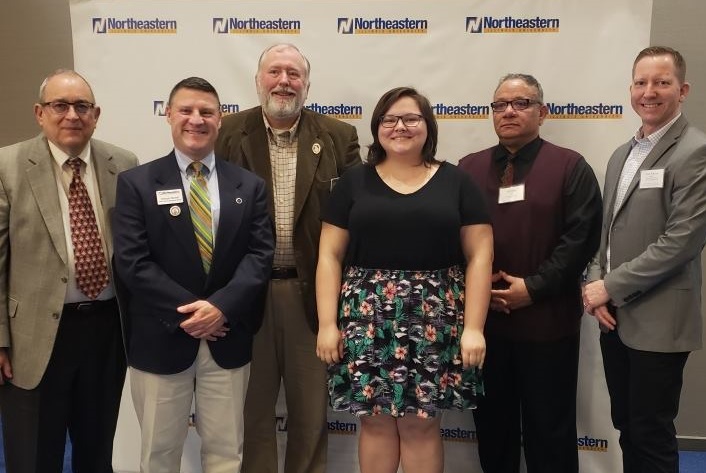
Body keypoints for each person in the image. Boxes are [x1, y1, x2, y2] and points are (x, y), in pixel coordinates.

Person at [316, 86, 493, 473]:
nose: (401, 126)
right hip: (366, 318)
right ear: (377, 127)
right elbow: (329, 256)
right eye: (390, 119)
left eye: (411, 118)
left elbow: (479, 256)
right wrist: (328, 324)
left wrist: (474, 328)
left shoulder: (457, 183)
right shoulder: (353, 184)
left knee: (422, 423)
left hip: (436, 320)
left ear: (427, 126)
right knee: (375, 421)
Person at [112, 77, 274, 473]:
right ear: (168, 115)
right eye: (186, 110)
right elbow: (133, 262)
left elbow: (259, 255)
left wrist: (220, 308)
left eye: (206, 112)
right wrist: (193, 313)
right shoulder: (136, 183)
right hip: (161, 336)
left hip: (227, 336)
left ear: (220, 120)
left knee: (225, 452)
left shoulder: (249, 186)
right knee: (158, 452)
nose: (196, 120)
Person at [214, 43, 360, 473]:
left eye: (293, 74)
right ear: (258, 81)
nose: (284, 81)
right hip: (245, 294)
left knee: (311, 413)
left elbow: (357, 217)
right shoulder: (225, 133)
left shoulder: (339, 136)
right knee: (251, 411)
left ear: (307, 84)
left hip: (313, 294)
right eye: (275, 72)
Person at [458, 73, 602, 473]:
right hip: (485, 328)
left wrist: (533, 289)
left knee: (550, 431)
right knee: (493, 430)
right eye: (500, 104)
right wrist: (478, 285)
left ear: (543, 112)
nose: (508, 111)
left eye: (520, 103)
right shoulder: (467, 168)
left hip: (547, 325)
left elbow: (580, 240)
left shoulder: (570, 166)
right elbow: (454, 237)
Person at [0, 69, 138, 473]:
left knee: (97, 452)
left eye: (82, 106)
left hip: (107, 333)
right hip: (34, 339)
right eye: (60, 105)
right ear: (40, 113)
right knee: (35, 456)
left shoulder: (124, 164)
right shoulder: (7, 166)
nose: (72, 115)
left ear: (96, 115)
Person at [583, 46, 706, 473]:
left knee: (651, 432)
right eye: (641, 82)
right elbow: (607, 234)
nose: (649, 92)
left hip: (659, 318)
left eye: (661, 82)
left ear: (683, 89)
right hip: (615, 316)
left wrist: (608, 286)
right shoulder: (623, 153)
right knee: (627, 428)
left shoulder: (695, 151)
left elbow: (682, 241)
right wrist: (599, 288)